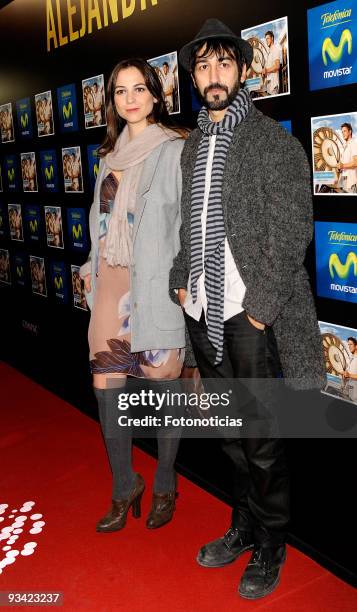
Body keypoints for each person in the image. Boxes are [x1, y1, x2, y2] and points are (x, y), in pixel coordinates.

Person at [170, 18, 325, 600]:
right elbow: (192, 227)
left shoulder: (273, 142)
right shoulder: (192, 149)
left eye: (223, 64)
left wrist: (258, 311)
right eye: (203, 66)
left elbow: (292, 231)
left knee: (260, 437)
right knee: (230, 434)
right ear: (193, 76)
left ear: (242, 70)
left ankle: (273, 540)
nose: (213, 76)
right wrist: (183, 281)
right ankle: (246, 523)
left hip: (248, 314)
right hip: (204, 311)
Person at [80, 58, 187, 534]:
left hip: (155, 285)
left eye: (139, 88)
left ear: (155, 95)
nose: (130, 98)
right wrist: (88, 266)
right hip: (111, 287)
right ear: (113, 100)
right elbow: (99, 226)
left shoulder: (174, 149)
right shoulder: (107, 156)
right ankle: (125, 485)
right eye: (120, 90)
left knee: (166, 388)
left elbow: (187, 225)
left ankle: (165, 481)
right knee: (107, 389)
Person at [336, 123, 357, 193]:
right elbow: (344, 165)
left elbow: (356, 162)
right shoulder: (346, 146)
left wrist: (342, 165)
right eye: (342, 132)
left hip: (350, 182)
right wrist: (340, 167)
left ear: (350, 131)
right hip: (343, 180)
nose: (343, 133)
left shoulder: (353, 143)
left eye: (344, 131)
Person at [261, 30, 280, 96]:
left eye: (268, 38)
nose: (267, 41)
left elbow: (277, 66)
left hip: (273, 86)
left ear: (272, 38)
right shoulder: (270, 52)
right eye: (266, 39)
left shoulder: (275, 49)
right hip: (269, 85)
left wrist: (266, 70)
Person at [342, 337, 357, 403]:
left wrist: (349, 375)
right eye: (348, 345)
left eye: (350, 344)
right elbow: (348, 374)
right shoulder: (351, 358)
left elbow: (350, 375)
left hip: (354, 397)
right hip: (347, 392)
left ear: (356, 346)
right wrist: (344, 374)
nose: (349, 346)